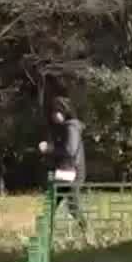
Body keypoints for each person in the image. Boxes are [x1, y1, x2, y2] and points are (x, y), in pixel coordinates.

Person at [40, 96, 89, 238]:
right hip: (68, 171)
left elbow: (70, 151)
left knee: (69, 205)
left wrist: (49, 149)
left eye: (55, 112)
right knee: (53, 203)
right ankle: (43, 235)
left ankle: (88, 233)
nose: (53, 115)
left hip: (72, 173)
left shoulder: (71, 127)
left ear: (63, 111)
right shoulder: (67, 127)